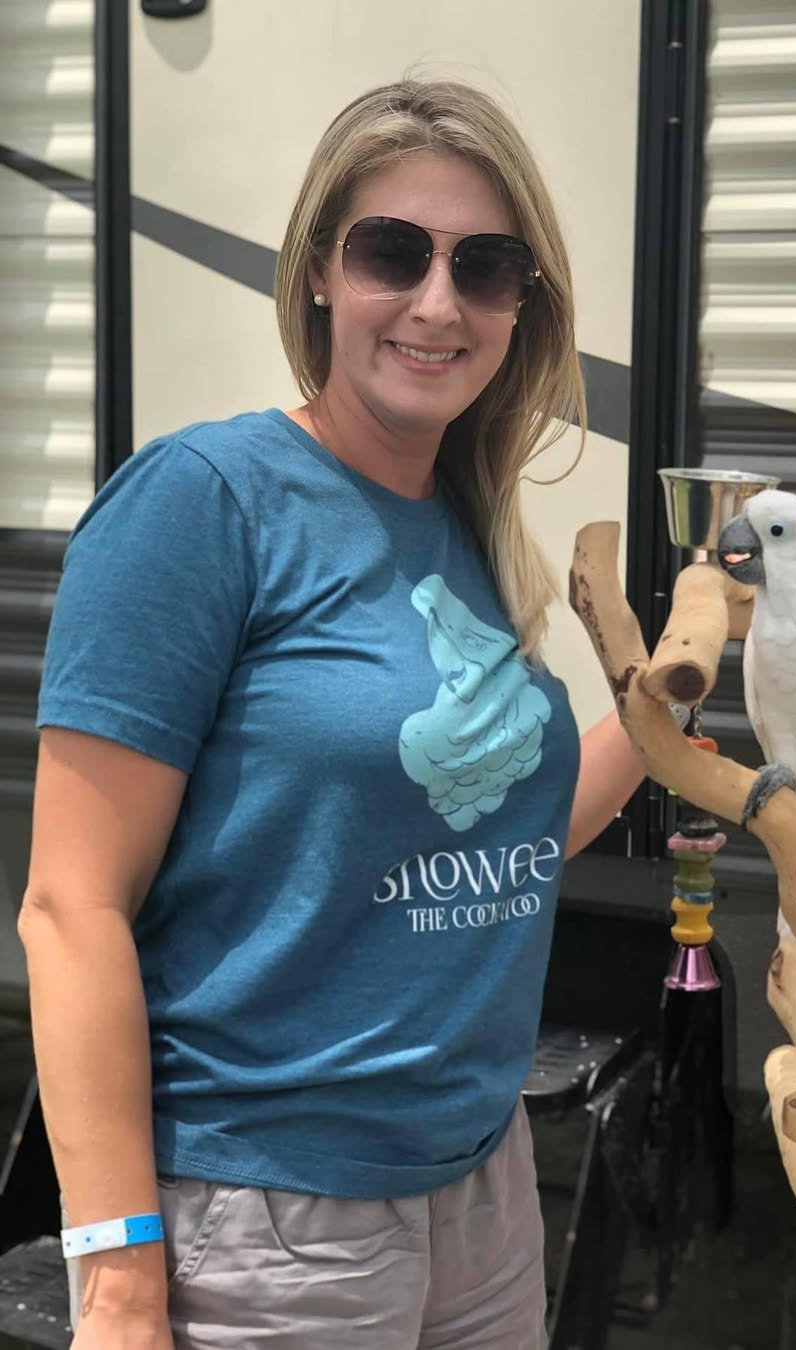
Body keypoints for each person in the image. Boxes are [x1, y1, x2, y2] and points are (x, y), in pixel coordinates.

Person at [19, 79, 648, 1350]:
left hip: (484, 1188)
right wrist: (122, 1280)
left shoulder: (463, 520)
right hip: (265, 1216)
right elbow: (68, 906)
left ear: (522, 305)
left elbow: (497, 844)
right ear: (318, 270)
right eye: (392, 252)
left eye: (484, 268)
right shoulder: (205, 501)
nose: (436, 302)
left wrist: (680, 691)